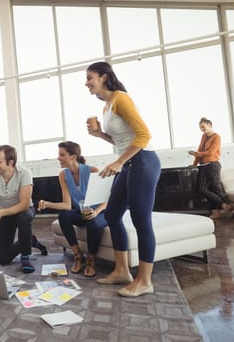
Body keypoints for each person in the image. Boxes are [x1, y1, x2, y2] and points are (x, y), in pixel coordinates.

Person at [85, 61, 161, 297]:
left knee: (140, 220)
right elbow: (121, 140)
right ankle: (121, 270)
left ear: (105, 77)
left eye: (90, 78)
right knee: (112, 214)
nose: (87, 83)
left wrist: (118, 162)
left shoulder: (121, 98)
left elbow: (144, 135)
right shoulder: (107, 106)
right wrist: (99, 134)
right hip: (128, 163)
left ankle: (145, 281)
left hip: (143, 161)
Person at [37, 141, 108, 277]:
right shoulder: (63, 175)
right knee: (64, 216)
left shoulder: (92, 171)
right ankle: (77, 255)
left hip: (100, 211)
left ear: (73, 157)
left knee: (92, 223)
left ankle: (91, 260)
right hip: (82, 212)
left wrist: (96, 212)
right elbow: (67, 205)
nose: (58, 157)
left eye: (62, 154)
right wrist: (48, 203)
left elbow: (106, 200)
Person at [0, 145, 44, 273]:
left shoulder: (24, 173)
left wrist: (1, 212)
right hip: (5, 212)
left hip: (24, 210)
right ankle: (30, 240)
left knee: (23, 217)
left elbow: (25, 203)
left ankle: (25, 256)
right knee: (3, 259)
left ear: (10, 162)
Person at [189, 117, 232, 219]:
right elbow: (200, 149)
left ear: (209, 125)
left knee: (216, 189)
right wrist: (195, 163)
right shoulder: (204, 136)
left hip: (212, 164)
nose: (202, 129)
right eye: (200, 128)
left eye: (203, 127)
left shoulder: (217, 137)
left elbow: (212, 152)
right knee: (202, 189)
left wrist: (197, 153)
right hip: (203, 166)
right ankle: (224, 206)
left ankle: (217, 212)